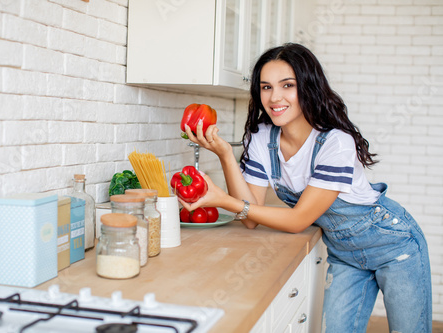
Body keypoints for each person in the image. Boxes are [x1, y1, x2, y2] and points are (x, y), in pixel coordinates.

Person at [180, 43, 432, 333]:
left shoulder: (335, 143)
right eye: (266, 87)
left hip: (393, 245)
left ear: (308, 87)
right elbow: (249, 218)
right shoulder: (261, 137)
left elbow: (298, 219)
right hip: (344, 254)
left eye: (287, 85)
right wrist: (225, 154)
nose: (275, 97)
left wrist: (224, 200)